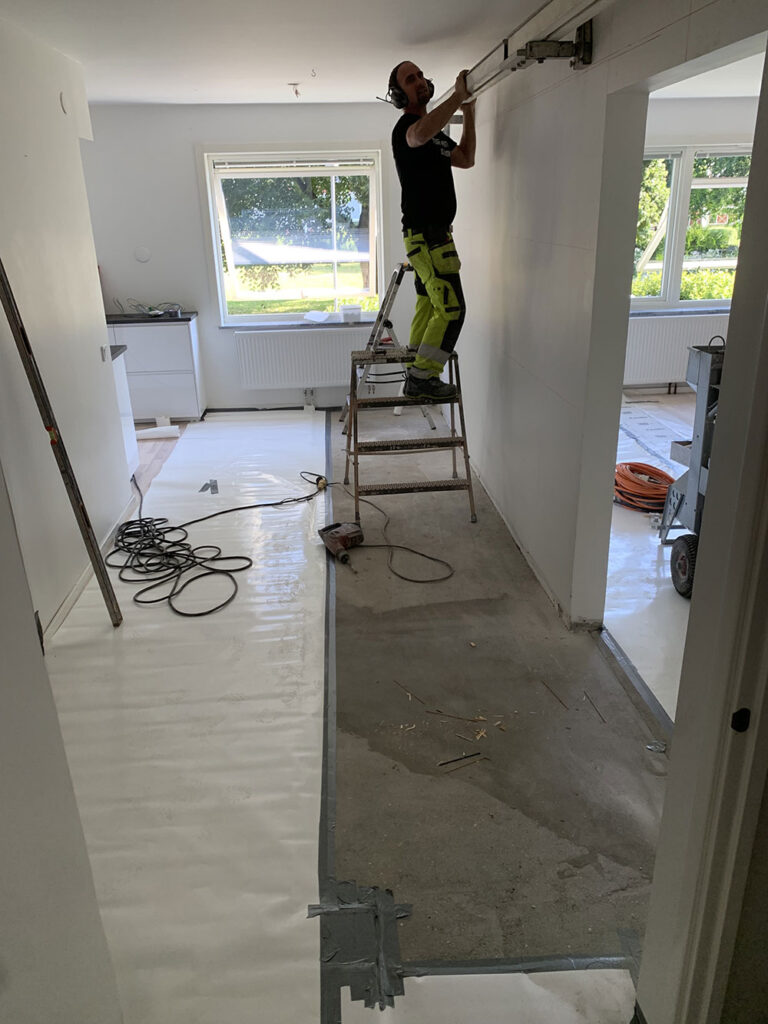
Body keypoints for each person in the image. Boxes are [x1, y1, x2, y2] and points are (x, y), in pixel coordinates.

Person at [388, 61, 476, 400]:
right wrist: (457, 97)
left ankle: (416, 360)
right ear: (400, 94)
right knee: (452, 310)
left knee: (429, 304)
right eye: (410, 79)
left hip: (435, 236)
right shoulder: (406, 129)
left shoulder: (436, 135)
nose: (420, 81)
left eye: (421, 75)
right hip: (427, 237)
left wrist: (468, 110)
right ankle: (422, 377)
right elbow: (418, 135)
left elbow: (466, 158)